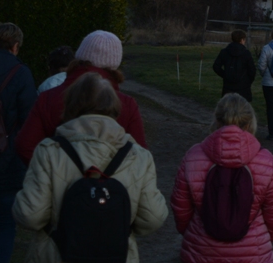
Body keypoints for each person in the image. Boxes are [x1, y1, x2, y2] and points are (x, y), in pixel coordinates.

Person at [13, 72, 167, 263]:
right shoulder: (138, 156)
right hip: (116, 256)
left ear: (71, 105)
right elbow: (153, 218)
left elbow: (30, 215)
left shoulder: (50, 151)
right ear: (115, 108)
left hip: (58, 254)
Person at [171, 94, 273, 263]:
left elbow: (181, 207)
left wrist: (191, 232)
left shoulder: (193, 156)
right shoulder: (266, 161)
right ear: (249, 123)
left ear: (217, 121)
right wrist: (267, 236)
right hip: (253, 252)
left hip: (201, 250)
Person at [16, 30, 145, 164]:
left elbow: (25, 146)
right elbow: (139, 156)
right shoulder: (127, 104)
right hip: (112, 176)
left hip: (58, 175)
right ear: (115, 63)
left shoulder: (48, 98)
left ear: (80, 57)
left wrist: (52, 170)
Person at [0, 24, 36, 263]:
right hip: (7, 163)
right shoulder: (20, 73)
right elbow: (29, 121)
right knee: (3, 226)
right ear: (15, 46)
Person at [212, 30, 256, 102]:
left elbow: (216, 66)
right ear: (242, 40)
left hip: (228, 86)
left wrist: (225, 75)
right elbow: (252, 70)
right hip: (243, 86)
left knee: (228, 106)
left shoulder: (225, 52)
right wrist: (248, 81)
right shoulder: (246, 53)